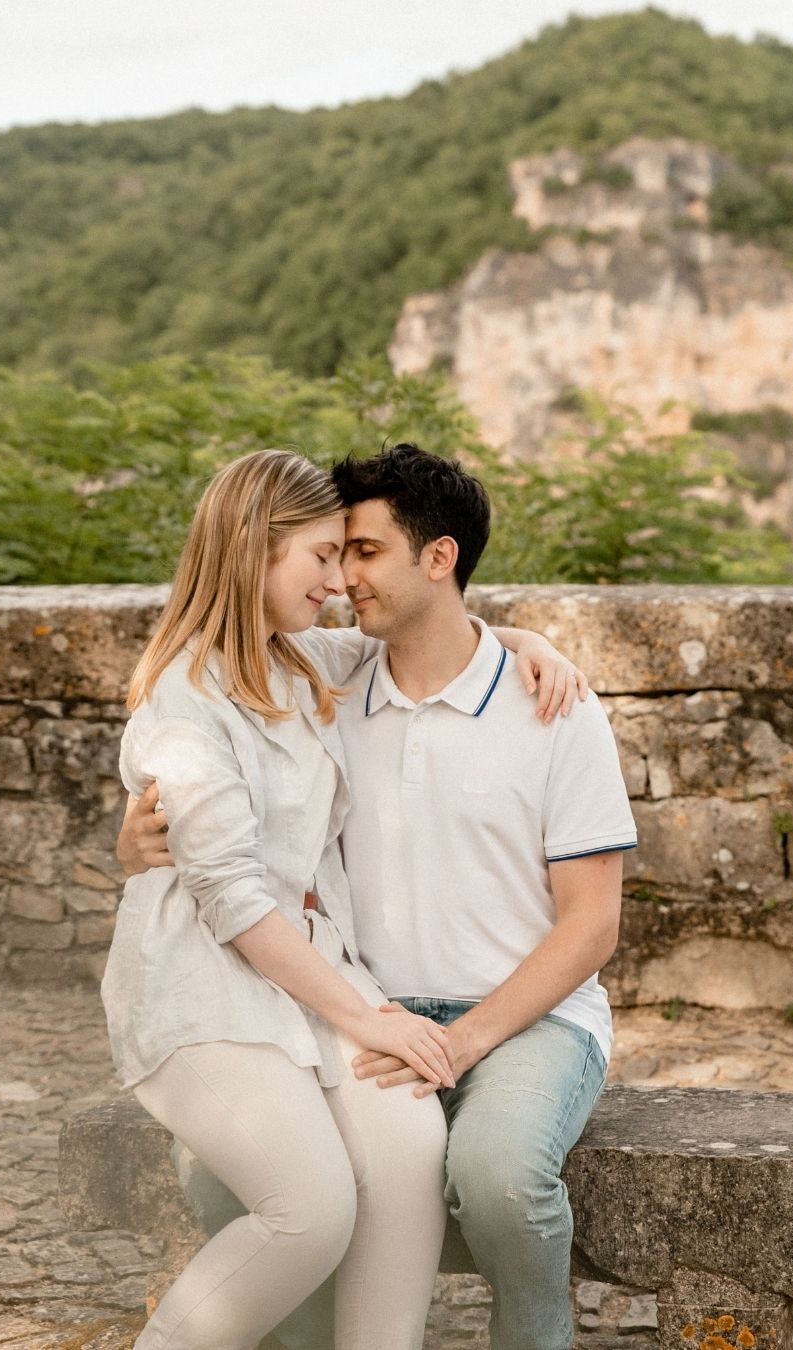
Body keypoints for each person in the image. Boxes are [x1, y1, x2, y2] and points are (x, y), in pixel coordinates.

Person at [119, 444, 636, 1350]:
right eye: (331, 554)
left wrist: (529, 640)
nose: (341, 580)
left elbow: (594, 924)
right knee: (269, 1193)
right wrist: (138, 841)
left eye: (360, 553)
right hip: (344, 999)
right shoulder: (328, 675)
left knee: (488, 1175)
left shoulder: (545, 705)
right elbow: (214, 839)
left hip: (489, 1013)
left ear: (438, 559)